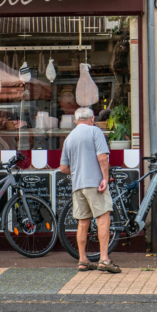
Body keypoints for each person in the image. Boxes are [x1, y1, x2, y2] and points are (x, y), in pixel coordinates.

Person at [59, 107, 120, 273]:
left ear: (75, 121)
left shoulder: (69, 138)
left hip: (78, 185)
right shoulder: (95, 131)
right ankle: (104, 259)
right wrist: (105, 179)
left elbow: (63, 167)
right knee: (103, 218)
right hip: (94, 183)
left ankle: (83, 259)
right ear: (92, 119)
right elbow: (103, 157)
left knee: (83, 222)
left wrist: (79, 169)